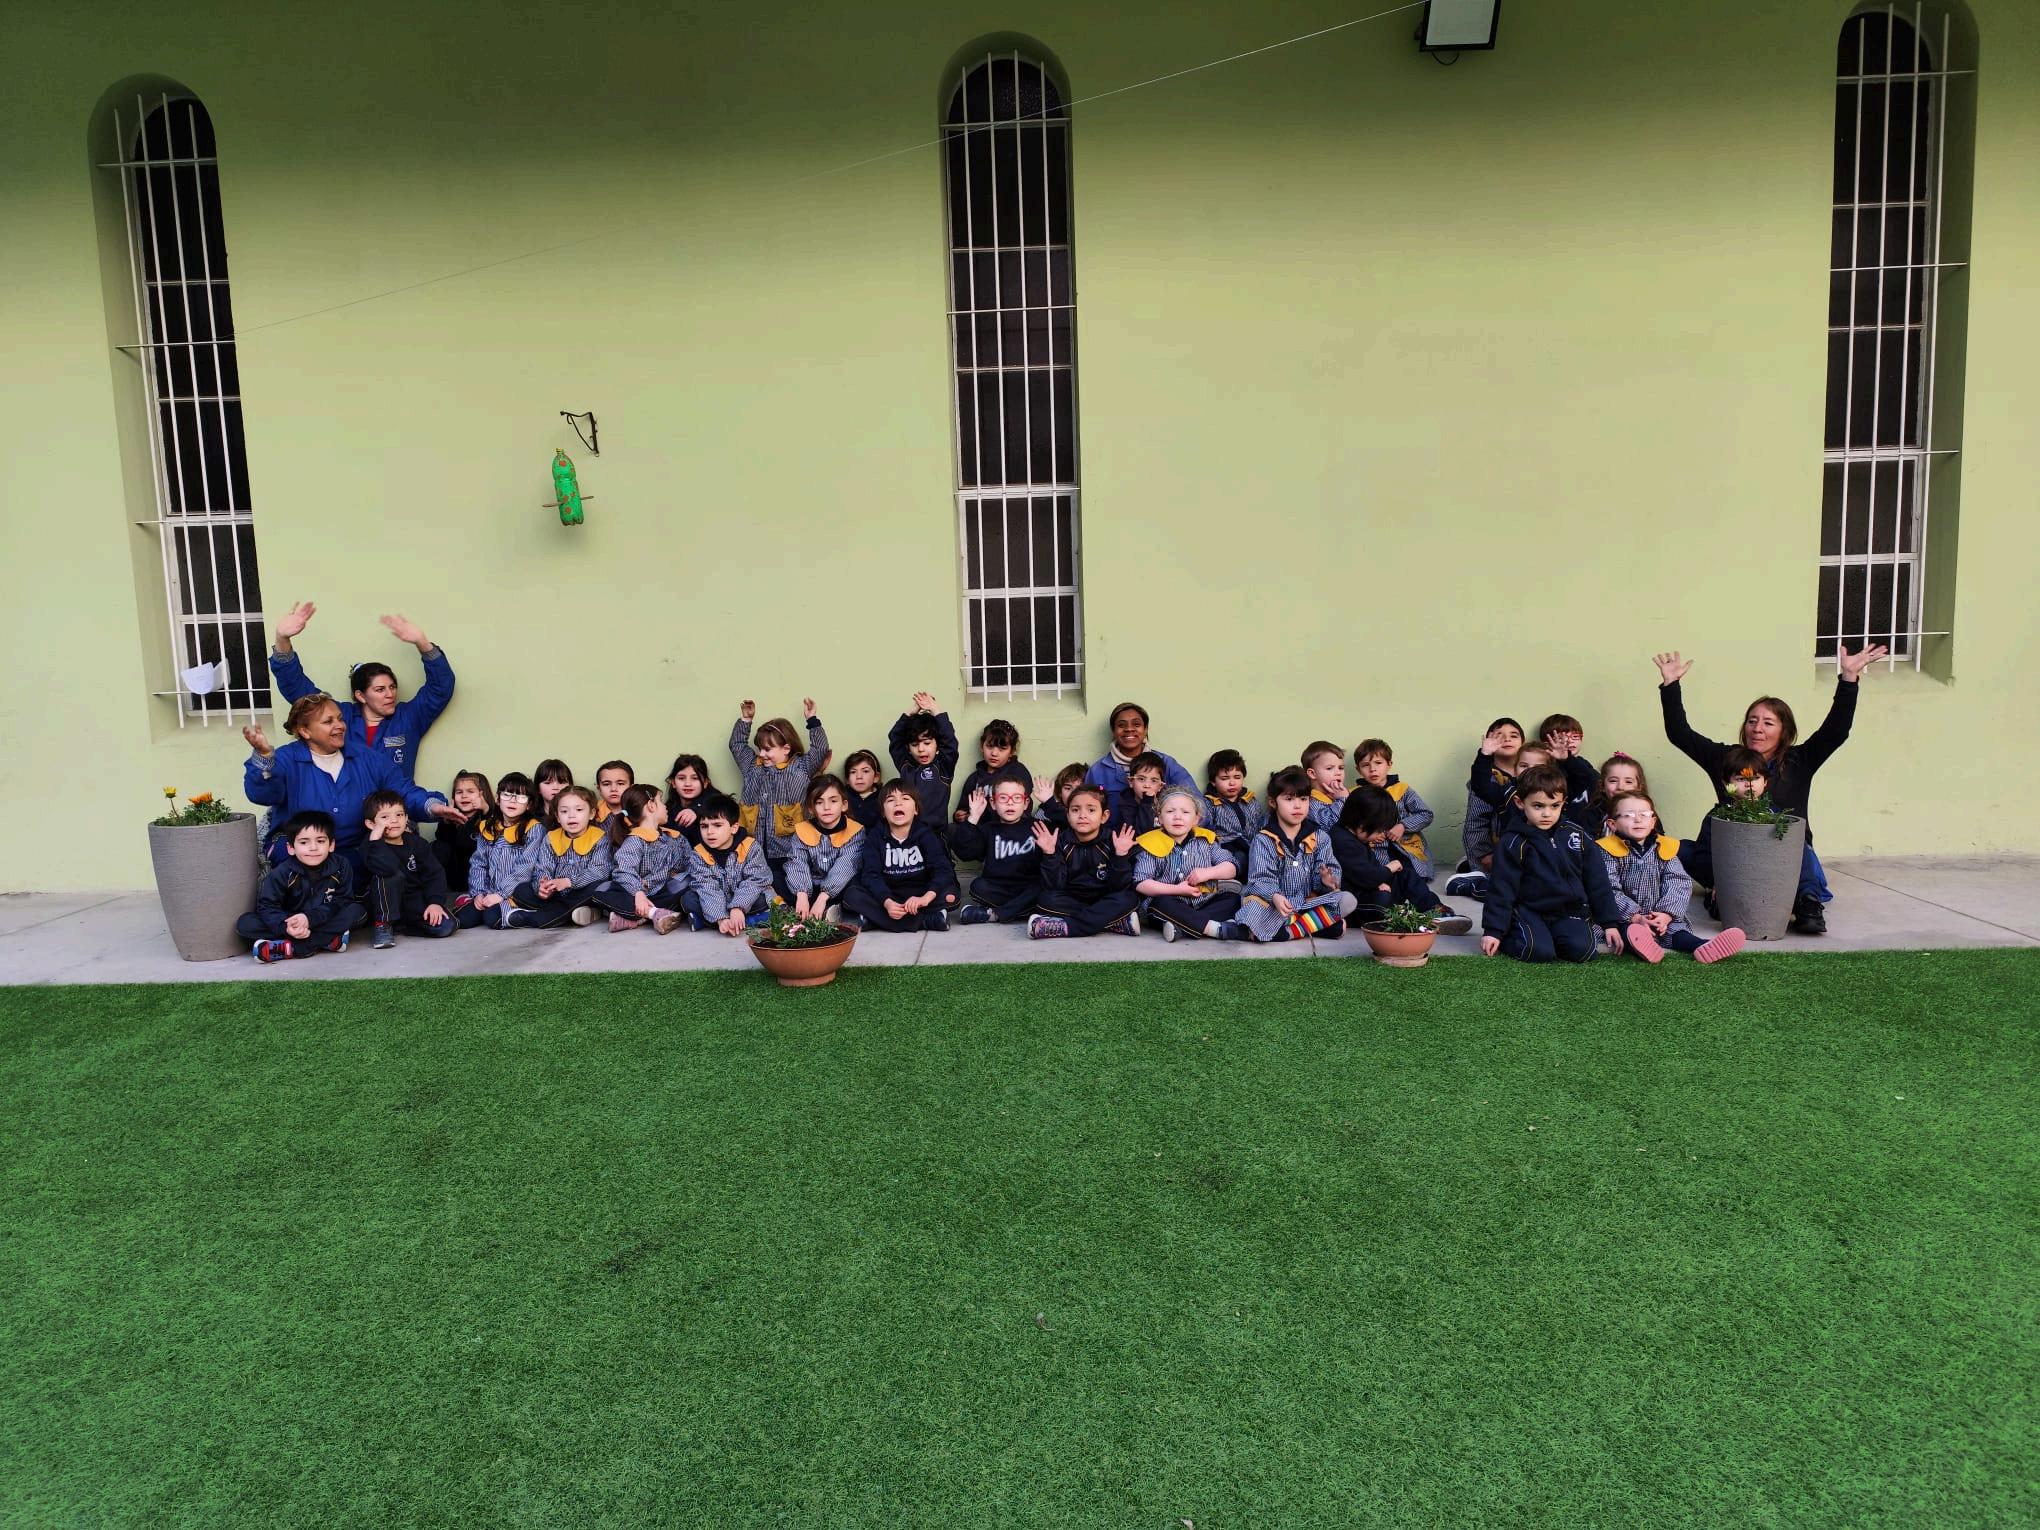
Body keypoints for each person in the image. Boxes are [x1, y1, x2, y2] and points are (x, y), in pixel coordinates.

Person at [1653, 645, 1887, 935]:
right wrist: (1670, 685)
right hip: (1732, 856)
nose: (1757, 728)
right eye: (1752, 721)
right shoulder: (1726, 758)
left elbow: (1835, 731)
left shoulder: (1799, 760)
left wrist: (1849, 679)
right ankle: (1722, 892)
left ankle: (1807, 903)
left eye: (1767, 722)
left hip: (1783, 856)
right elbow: (1680, 734)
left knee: (1793, 835)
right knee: (1677, 848)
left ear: (1783, 731)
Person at [241, 694, 455, 889]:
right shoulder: (286, 758)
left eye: (340, 719)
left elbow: (401, 790)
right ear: (305, 731)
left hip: (355, 853)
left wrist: (432, 806)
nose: (340, 726)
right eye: (328, 722)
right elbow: (262, 793)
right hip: (302, 853)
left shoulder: (366, 757)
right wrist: (264, 758)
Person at [267, 603, 455, 787]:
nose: (390, 694)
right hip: (346, 804)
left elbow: (441, 688)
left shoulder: (408, 717)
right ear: (361, 696)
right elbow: (296, 687)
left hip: (394, 806)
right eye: (380, 689)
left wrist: (422, 643)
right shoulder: (339, 716)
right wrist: (282, 639)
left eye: (392, 687)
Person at [1479, 765, 1627, 964]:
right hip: (1529, 911)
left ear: (1563, 802)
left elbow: (1598, 880)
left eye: (1554, 806)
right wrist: (1493, 931)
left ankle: (1551, 935)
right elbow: (1501, 887)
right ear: (1520, 803)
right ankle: (1513, 933)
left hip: (1568, 911)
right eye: (1538, 806)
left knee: (1582, 952)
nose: (1547, 814)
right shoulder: (1513, 842)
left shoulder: (1577, 835)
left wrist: (1609, 923)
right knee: (1538, 952)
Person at [1598, 790, 1745, 964]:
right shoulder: (1607, 851)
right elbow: (1607, 888)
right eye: (1628, 815)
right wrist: (1635, 917)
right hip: (1625, 917)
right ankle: (1642, 945)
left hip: (1659, 915)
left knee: (1675, 931)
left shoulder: (1664, 848)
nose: (1637, 819)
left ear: (1653, 821)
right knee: (1625, 931)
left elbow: (1678, 882)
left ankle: (1701, 945)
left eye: (1644, 814)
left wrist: (1666, 915)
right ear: (1612, 824)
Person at [1229, 767, 1356, 943]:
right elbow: (1259, 879)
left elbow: (1330, 870)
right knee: (1252, 911)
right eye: (1289, 799)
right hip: (1275, 906)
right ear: (1273, 802)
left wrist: (1326, 881)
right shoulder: (1264, 839)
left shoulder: (1320, 837)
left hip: (1307, 903)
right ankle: (1311, 926)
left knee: (1347, 900)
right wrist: (1275, 896)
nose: (1298, 806)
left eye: (1303, 799)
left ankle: (1287, 932)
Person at [1331, 788, 1471, 932]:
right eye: (1379, 831)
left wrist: (1379, 882)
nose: (1382, 835)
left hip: (1370, 888)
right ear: (1362, 825)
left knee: (1405, 874)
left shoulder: (1358, 837)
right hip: (1357, 904)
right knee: (1383, 899)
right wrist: (1388, 869)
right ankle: (1405, 916)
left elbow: (1368, 870)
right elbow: (1367, 877)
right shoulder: (1342, 841)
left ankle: (1433, 910)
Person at [236, 810, 366, 962]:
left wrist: (309, 918)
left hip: (321, 919)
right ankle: (326, 940)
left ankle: (290, 948)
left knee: (358, 911)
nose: (313, 848)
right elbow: (267, 906)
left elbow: (342, 901)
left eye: (320, 841)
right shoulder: (282, 873)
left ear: (331, 845)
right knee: (245, 923)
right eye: (304, 842)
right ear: (291, 848)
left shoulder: (341, 866)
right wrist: (287, 927)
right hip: (291, 922)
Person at [729, 697, 829, 891]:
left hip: (789, 851)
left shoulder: (801, 767)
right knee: (758, 883)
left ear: (786, 749)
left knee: (787, 884)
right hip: (756, 848)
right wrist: (746, 720)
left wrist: (812, 720)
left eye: (768, 749)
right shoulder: (752, 767)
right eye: (760, 749)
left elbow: (820, 749)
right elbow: (737, 745)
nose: (761, 754)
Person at [841, 779, 958, 933]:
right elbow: (871, 875)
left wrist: (925, 899)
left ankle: (876, 919)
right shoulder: (875, 837)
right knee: (852, 895)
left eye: (905, 798)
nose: (898, 803)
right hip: (888, 894)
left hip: (920, 893)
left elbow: (942, 869)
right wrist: (887, 902)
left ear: (916, 809)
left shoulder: (926, 834)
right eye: (891, 800)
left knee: (951, 895)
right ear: (883, 812)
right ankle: (925, 921)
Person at [1132, 785, 1241, 941]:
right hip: (1170, 901)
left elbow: (1232, 867)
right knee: (1159, 904)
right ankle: (1214, 929)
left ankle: (1182, 927)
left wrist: (1208, 873)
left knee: (1233, 898)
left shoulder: (1206, 840)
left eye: (1185, 812)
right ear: (1160, 818)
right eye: (1170, 811)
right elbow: (1141, 883)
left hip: (1203, 898)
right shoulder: (1151, 843)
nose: (1177, 817)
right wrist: (1177, 889)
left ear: (1196, 819)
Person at [1029, 786, 1140, 939]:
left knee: (1128, 899)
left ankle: (1065, 928)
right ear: (1068, 815)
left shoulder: (1114, 841)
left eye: (1091, 810)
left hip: (1105, 899)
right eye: (1075, 810)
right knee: (1046, 899)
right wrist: (1050, 854)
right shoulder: (1060, 841)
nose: (1082, 815)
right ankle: (1111, 922)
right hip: (1071, 901)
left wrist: (1120, 856)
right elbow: (1054, 886)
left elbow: (1119, 887)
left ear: (1104, 816)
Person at [501, 786, 613, 928]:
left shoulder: (600, 838)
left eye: (579, 810)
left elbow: (600, 871)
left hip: (581, 893)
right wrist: (543, 887)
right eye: (564, 811)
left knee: (599, 887)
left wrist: (569, 882)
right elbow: (543, 867)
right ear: (558, 817)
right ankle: (572, 913)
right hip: (556, 896)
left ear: (591, 814)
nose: (571, 816)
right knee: (520, 890)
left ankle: (537, 918)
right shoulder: (551, 838)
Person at [361, 791, 459, 949]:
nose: (394, 820)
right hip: (383, 904)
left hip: (413, 901)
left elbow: (434, 874)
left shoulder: (417, 843)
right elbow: (387, 868)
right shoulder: (370, 846)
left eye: (399, 815)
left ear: (406, 818)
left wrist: (435, 903)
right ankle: (384, 925)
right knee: (390, 876)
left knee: (447, 926)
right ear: (371, 824)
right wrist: (376, 841)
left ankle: (404, 925)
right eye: (385, 817)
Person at [593, 784, 691, 934]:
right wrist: (638, 892)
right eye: (661, 801)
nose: (665, 806)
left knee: (686, 882)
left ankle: (632, 919)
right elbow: (623, 870)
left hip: (661, 893)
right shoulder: (635, 840)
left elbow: (689, 863)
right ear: (651, 805)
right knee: (602, 890)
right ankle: (653, 913)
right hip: (634, 895)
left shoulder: (675, 837)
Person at [951, 771, 1043, 926]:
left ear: (1026, 803)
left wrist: (1049, 803)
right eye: (1003, 798)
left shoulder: (1037, 827)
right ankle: (1021, 910)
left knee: (1044, 888)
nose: (1010, 803)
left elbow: (1065, 826)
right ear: (993, 803)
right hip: (999, 887)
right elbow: (965, 853)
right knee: (977, 887)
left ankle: (996, 914)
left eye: (1017, 798)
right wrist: (973, 818)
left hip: (1028, 887)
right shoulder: (988, 829)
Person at [1084, 702, 1197, 826]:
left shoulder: (1166, 763)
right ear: (1113, 731)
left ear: (1145, 729)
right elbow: (1085, 810)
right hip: (1114, 837)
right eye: (1121, 725)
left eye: (1136, 724)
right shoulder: (1098, 771)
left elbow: (1195, 802)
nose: (1129, 729)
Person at [1451, 716, 1526, 897]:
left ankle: (1467, 865)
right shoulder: (1485, 781)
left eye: (1514, 735)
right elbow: (1475, 821)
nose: (1507, 739)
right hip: (1496, 850)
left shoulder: (1533, 776)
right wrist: (1484, 854)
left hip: (1525, 847)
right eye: (1499, 735)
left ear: (1524, 743)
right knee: (1502, 889)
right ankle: (1471, 875)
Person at [682, 792, 776, 935]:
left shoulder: (750, 847)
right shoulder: (698, 854)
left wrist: (738, 907)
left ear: (734, 828)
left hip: (746, 900)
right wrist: (721, 918)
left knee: (764, 898)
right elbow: (706, 887)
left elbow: (756, 880)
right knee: (688, 899)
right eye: (704, 826)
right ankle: (740, 921)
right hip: (716, 900)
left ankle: (707, 921)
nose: (710, 832)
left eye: (717, 825)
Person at [460, 771, 544, 928]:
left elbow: (525, 869)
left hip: (516, 892)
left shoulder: (533, 829)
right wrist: (479, 893)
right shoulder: (488, 827)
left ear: (529, 804)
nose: (513, 800)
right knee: (464, 919)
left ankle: (523, 914)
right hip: (489, 892)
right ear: (498, 799)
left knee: (492, 918)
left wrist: (501, 894)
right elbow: (479, 863)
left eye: (521, 797)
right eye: (507, 795)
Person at [784, 775, 865, 925]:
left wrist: (823, 897)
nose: (826, 807)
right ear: (811, 808)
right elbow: (797, 862)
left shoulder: (855, 831)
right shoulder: (802, 831)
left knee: (854, 890)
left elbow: (846, 866)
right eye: (819, 802)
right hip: (810, 886)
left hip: (839, 888)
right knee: (778, 876)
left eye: (833, 801)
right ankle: (803, 908)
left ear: (844, 805)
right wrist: (802, 894)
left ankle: (832, 908)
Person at [1352, 739, 1437, 882]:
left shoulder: (1402, 789)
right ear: (1358, 769)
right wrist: (1367, 834)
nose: (1372, 769)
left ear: (1389, 764)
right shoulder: (1355, 794)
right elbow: (1349, 824)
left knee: (1412, 877)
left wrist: (1403, 826)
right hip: (1374, 849)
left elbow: (1426, 814)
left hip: (1405, 846)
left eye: (1378, 763)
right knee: (1381, 877)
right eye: (1366, 765)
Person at [888, 691, 960, 826]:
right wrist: (912, 711)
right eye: (915, 744)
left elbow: (950, 742)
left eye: (927, 743)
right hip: (909, 832)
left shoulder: (944, 767)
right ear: (908, 748)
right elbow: (895, 738)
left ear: (938, 745)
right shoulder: (905, 766)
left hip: (936, 833)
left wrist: (935, 710)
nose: (921, 749)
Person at [1535, 713, 1602, 830]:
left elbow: (1594, 781)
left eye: (1575, 736)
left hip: (1587, 832)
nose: (1569, 741)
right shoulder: (1547, 769)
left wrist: (1568, 759)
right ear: (1546, 742)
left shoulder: (1584, 766)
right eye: (1561, 738)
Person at [952, 719, 1028, 822]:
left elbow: (1023, 808)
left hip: (1008, 828)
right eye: (990, 746)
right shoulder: (974, 779)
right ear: (981, 746)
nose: (994, 753)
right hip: (979, 829)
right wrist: (959, 815)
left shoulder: (1018, 772)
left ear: (1012, 751)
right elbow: (963, 808)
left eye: (1002, 749)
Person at [431, 770, 492, 896]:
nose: (464, 796)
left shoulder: (488, 817)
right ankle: (438, 892)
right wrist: (447, 820)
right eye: (459, 792)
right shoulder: (452, 818)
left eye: (470, 791)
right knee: (439, 846)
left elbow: (494, 833)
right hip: (455, 877)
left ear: (482, 795)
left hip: (479, 877)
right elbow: (442, 841)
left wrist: (486, 810)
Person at [1202, 749, 1266, 869]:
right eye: (1225, 778)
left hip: (1251, 845)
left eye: (1237, 777)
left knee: (1261, 857)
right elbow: (1206, 831)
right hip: (1225, 847)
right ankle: (1229, 875)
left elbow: (1260, 824)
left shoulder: (1250, 800)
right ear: (1213, 781)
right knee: (1239, 858)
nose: (1232, 783)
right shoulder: (1209, 803)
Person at [662, 754, 715, 847]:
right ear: (673, 782)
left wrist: (696, 810)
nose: (687, 783)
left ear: (705, 783)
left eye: (695, 778)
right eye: (681, 778)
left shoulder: (717, 802)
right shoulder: (668, 810)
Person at [1591, 753, 1650, 832]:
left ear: (1639, 787)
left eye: (1628, 782)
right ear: (1602, 786)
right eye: (1613, 781)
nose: (1620, 787)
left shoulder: (1647, 814)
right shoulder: (1593, 813)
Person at [1301, 740, 1348, 833]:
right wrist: (1342, 800)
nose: (1338, 773)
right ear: (1312, 774)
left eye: (1341, 768)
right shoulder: (1312, 802)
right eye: (1329, 768)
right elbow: (1329, 827)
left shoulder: (1345, 794)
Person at [1036, 762, 1088, 835]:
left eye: (1079, 788)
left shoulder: (1091, 812)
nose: (1073, 793)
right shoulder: (1045, 811)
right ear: (1060, 792)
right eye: (1068, 788)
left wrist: (1049, 803)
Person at [1123, 753, 1168, 836]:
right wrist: (1147, 802)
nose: (1147, 785)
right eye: (1141, 779)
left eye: (1154, 781)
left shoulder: (1167, 805)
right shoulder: (1125, 806)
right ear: (1131, 782)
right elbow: (1142, 835)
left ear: (1160, 786)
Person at [842, 751, 886, 833]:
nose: (859, 776)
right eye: (853, 772)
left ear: (876, 777)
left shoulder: (884, 798)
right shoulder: (842, 797)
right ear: (847, 779)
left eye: (865, 771)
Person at [593, 760, 635, 826]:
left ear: (631, 788)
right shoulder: (591, 812)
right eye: (606, 784)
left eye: (620, 784)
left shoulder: (641, 811)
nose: (613, 789)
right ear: (599, 789)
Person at [533, 759, 574, 825]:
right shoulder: (531, 818)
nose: (555, 787)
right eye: (548, 783)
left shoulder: (578, 815)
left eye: (561, 782)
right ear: (538, 788)